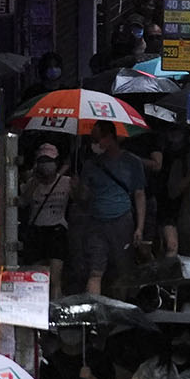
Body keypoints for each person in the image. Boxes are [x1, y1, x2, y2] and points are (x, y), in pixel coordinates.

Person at [72, 121, 146, 294]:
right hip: (96, 222)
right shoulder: (91, 165)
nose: (95, 144)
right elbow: (83, 199)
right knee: (95, 270)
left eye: (98, 139)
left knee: (123, 270)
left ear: (109, 137)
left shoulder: (132, 162)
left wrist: (139, 228)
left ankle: (120, 311)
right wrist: (76, 188)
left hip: (123, 221)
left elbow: (139, 194)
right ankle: (94, 312)